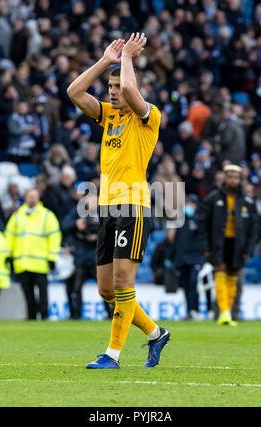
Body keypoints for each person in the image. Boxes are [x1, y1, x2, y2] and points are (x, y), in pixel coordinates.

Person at [67, 35, 170, 369]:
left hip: (133, 208)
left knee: (125, 283)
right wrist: (105, 61)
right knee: (106, 291)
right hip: (108, 210)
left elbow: (129, 90)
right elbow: (74, 92)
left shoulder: (148, 116)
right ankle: (156, 334)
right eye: (109, 86)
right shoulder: (108, 115)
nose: (113, 90)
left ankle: (112, 354)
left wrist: (126, 57)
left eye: (116, 85)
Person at [198, 165, 258, 326]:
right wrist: (205, 246)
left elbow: (254, 228)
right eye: (230, 176)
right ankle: (224, 312)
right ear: (224, 178)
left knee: (233, 275)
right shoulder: (212, 198)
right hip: (218, 243)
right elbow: (202, 224)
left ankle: (227, 312)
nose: (233, 180)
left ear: (240, 179)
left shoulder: (247, 201)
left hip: (238, 244)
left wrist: (249, 249)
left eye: (236, 177)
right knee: (220, 271)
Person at [5, 189, 61, 320]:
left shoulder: (47, 215)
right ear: (25, 198)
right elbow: (9, 237)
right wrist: (9, 255)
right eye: (30, 196)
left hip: (41, 263)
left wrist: (51, 258)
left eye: (35, 197)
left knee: (43, 293)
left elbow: (54, 237)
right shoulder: (17, 216)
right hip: (22, 263)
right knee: (27, 293)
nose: (32, 199)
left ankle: (44, 315)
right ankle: (31, 316)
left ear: (38, 198)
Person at [168, 194, 205, 320]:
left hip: (195, 258)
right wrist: (171, 258)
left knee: (194, 284)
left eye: (191, 204)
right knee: (185, 285)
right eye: (187, 203)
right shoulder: (179, 220)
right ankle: (190, 311)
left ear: (195, 206)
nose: (188, 206)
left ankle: (195, 310)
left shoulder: (199, 220)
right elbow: (172, 240)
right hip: (181, 258)